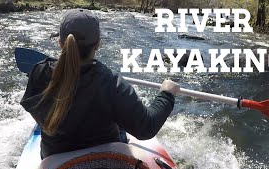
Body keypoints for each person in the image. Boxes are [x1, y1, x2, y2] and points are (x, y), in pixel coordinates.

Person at [20, 9, 180, 159]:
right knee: (120, 123)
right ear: (97, 44)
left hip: (53, 157)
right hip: (105, 159)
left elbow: (35, 111)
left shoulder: (39, 72)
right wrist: (166, 94)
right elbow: (146, 128)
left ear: (60, 43)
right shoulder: (113, 84)